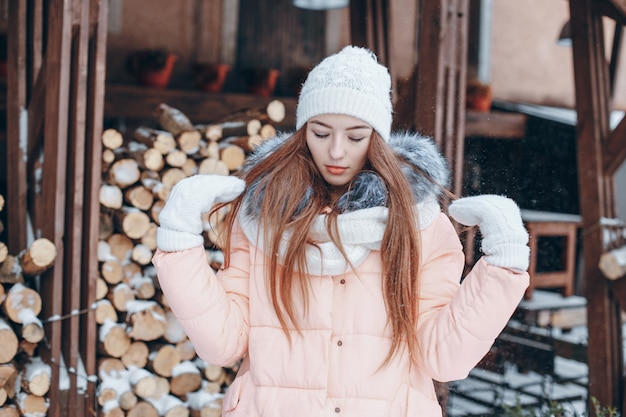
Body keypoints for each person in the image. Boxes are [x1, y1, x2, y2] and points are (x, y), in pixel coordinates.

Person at [152, 46, 530, 417]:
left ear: (378, 137)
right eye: (320, 133)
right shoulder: (261, 219)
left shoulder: (419, 224)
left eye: (354, 136)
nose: (335, 152)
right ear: (302, 132)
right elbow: (222, 343)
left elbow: (443, 357)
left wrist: (504, 263)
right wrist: (179, 240)